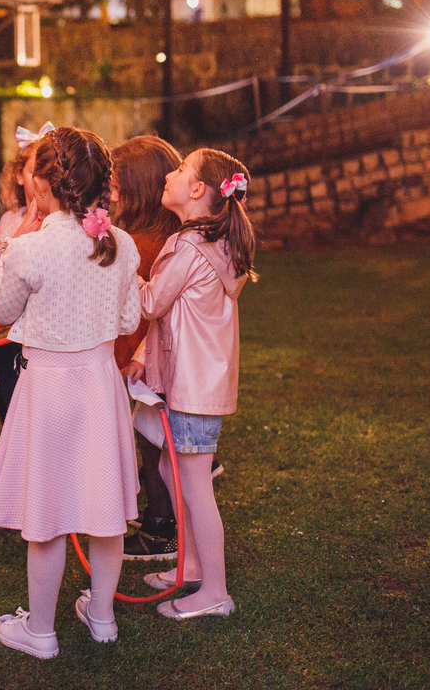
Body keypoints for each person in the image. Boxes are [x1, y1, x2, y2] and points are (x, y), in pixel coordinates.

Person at [0, 127, 142, 658]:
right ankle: (102, 617)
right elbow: (130, 316)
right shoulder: (122, 244)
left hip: (47, 390)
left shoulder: (31, 247)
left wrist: (18, 238)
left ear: (43, 185)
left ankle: (41, 631)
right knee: (104, 508)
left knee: (45, 515)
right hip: (99, 386)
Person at [125, 148, 257, 620]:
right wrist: (142, 356)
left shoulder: (189, 247)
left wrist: (119, 264)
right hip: (191, 382)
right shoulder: (206, 244)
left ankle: (215, 591)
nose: (170, 173)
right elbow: (176, 314)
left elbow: (151, 304)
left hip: (194, 389)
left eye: (181, 170)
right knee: (168, 470)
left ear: (198, 190)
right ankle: (192, 565)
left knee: (195, 483)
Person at [107, 137, 185, 562]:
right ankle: (161, 521)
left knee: (153, 441)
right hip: (151, 358)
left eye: (118, 181)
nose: (111, 189)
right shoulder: (163, 236)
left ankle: (162, 529)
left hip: (143, 360)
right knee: (153, 438)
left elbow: (140, 310)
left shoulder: (140, 244)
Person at [0, 122, 53, 423]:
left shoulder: (60, 225)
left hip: (47, 335)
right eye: (32, 171)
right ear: (18, 175)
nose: (40, 180)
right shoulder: (10, 221)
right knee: (13, 410)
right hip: (11, 335)